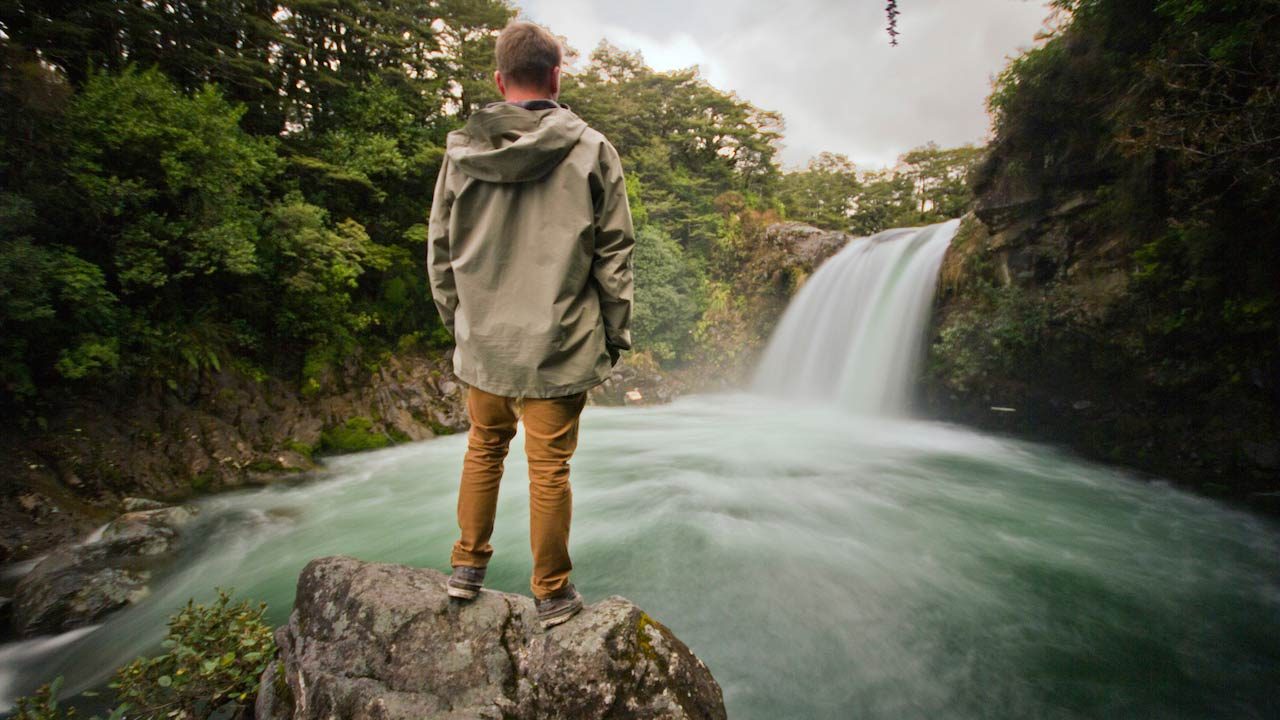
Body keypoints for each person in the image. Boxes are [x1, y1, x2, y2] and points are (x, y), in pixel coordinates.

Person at [426, 19, 635, 630]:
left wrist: (459, 324)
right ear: (556, 75)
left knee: (483, 448)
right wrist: (614, 335)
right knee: (549, 469)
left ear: (498, 79)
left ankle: (466, 568)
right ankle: (552, 593)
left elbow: (440, 251)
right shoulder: (593, 150)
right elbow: (614, 255)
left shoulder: (461, 153)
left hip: (485, 341)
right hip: (560, 341)